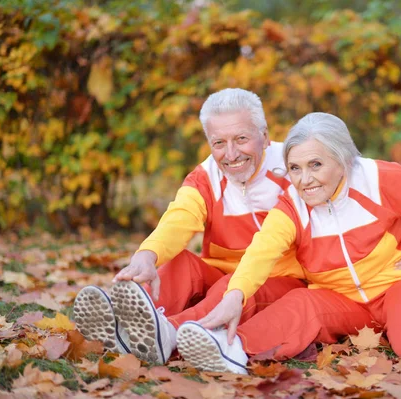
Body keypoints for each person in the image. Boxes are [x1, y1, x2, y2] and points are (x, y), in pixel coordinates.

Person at [174, 112, 401, 374]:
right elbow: (261, 253)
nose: (304, 180)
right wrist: (235, 296)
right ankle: (230, 347)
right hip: (342, 300)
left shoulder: (377, 179)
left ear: (342, 160)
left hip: (400, 282)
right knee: (301, 303)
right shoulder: (292, 206)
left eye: (316, 165)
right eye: (295, 168)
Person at [72, 89, 306, 365]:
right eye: (218, 143)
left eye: (241, 139)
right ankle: (127, 325)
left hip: (278, 282)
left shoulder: (295, 167)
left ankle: (168, 333)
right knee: (180, 262)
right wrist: (147, 255)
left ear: (264, 136)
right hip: (220, 274)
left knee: (230, 284)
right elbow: (179, 218)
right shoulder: (206, 175)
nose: (231, 154)